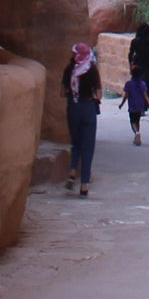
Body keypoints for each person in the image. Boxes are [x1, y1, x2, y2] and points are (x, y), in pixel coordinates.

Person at [61, 42, 101, 196]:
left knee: (76, 142)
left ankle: (72, 171)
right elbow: (98, 94)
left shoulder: (69, 70)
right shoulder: (92, 70)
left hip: (73, 107)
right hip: (88, 108)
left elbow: (61, 92)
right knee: (88, 146)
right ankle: (84, 184)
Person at [128, 21, 149, 100]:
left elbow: (130, 54)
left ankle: (137, 103)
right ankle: (145, 104)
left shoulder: (134, 41)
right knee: (148, 85)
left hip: (137, 64)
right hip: (147, 65)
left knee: (136, 84)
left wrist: (131, 64)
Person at [119, 70, 149, 144]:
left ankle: (136, 133)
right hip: (140, 106)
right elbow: (145, 95)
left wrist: (121, 104)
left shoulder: (129, 84)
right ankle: (137, 133)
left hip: (132, 106)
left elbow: (126, 96)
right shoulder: (142, 84)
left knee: (132, 121)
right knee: (137, 120)